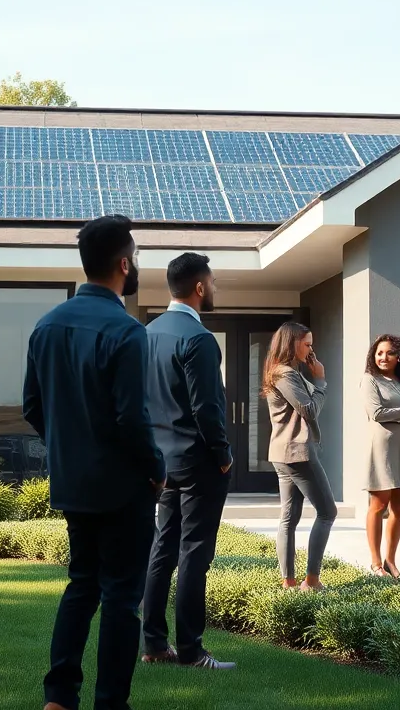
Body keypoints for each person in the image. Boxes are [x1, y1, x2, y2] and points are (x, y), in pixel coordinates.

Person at [23, 214, 165, 710]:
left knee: (81, 585)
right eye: (136, 258)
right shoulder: (127, 331)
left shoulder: (46, 326)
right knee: (122, 598)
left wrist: (70, 446)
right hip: (123, 487)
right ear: (124, 264)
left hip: (72, 483)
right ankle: (110, 702)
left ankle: (59, 697)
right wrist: (156, 469)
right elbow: (132, 418)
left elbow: (32, 407)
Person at [140, 252, 236, 670]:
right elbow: (207, 408)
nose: (214, 289)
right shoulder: (199, 339)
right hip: (199, 463)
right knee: (195, 553)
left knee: (162, 548)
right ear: (199, 287)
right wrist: (224, 454)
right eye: (212, 282)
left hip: (161, 462)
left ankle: (154, 644)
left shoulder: (147, 334)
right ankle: (192, 651)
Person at [264, 321, 337, 591]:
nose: (310, 350)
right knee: (327, 512)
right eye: (306, 344)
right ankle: (312, 581)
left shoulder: (286, 371)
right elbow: (309, 410)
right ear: (291, 343)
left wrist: (312, 376)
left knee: (289, 518)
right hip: (297, 453)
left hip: (285, 452)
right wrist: (321, 381)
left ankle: (289, 582)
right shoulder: (285, 374)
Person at [360, 333, 400, 579]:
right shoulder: (370, 380)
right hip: (383, 448)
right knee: (378, 506)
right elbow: (376, 413)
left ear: (399, 356)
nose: (383, 357)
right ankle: (376, 563)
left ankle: (390, 562)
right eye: (379, 353)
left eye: (389, 353)